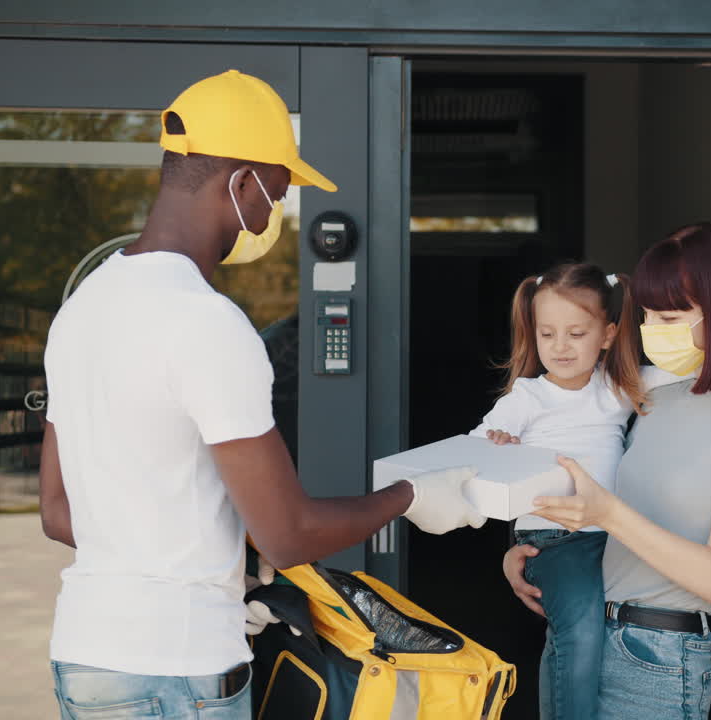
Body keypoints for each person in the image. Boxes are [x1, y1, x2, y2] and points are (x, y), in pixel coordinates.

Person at [38, 70, 483, 719]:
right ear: (241, 183)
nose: (272, 215)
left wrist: (223, 568)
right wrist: (410, 496)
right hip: (176, 671)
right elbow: (288, 535)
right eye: (275, 195)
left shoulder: (83, 308)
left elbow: (57, 511)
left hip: (87, 658)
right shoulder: (206, 322)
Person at [503, 223, 711, 719]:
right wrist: (532, 552)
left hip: (656, 656)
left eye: (669, 317)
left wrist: (608, 514)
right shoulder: (655, 393)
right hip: (580, 633)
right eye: (647, 315)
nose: (652, 329)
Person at [474, 263, 645, 720]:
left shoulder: (616, 387)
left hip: (611, 534)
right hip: (553, 539)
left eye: (576, 333)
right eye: (547, 334)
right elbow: (475, 446)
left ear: (607, 335)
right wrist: (497, 443)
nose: (560, 346)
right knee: (580, 634)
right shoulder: (528, 397)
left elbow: (677, 383)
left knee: (592, 637)